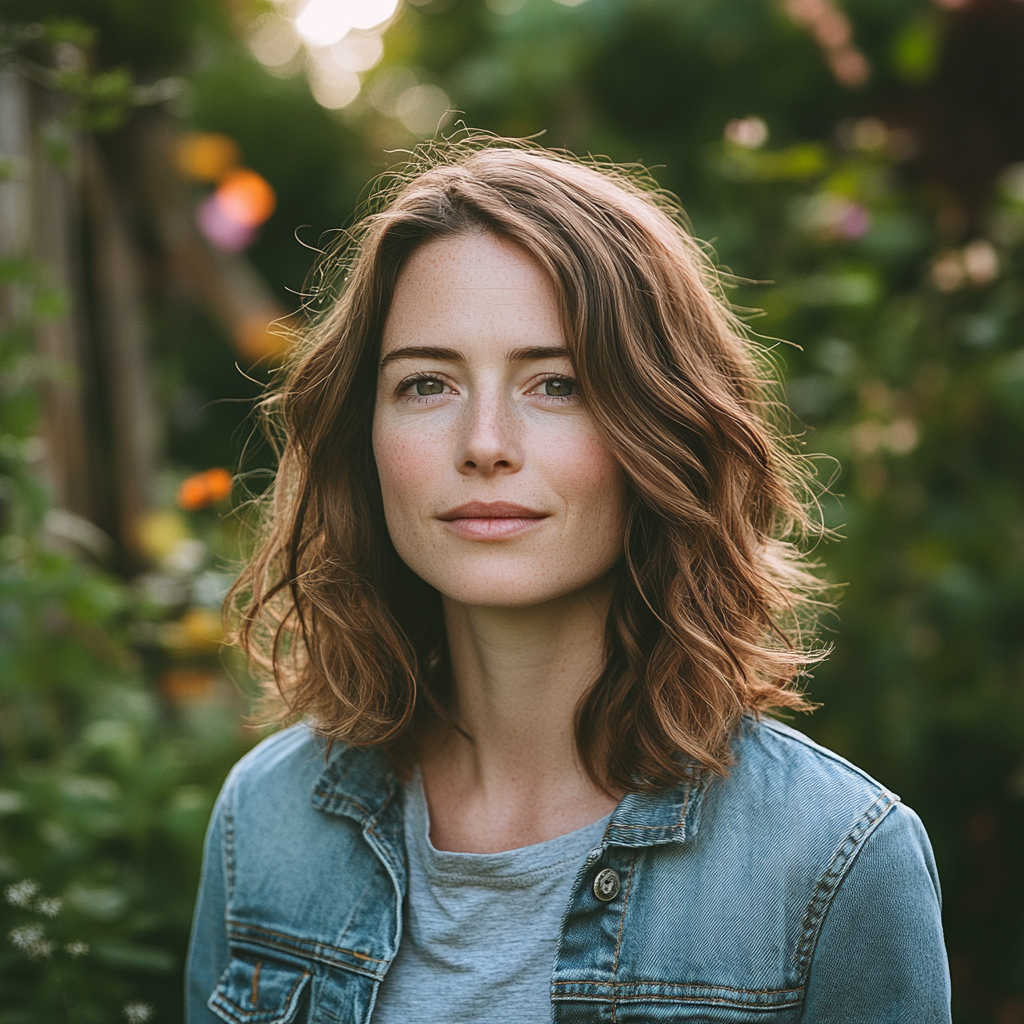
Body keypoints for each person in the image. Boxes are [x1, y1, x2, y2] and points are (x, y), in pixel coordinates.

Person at [186, 140, 951, 1024]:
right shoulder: (267, 822)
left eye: (556, 384)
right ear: (366, 436)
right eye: (426, 384)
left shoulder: (834, 863)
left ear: (660, 426)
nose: (484, 442)